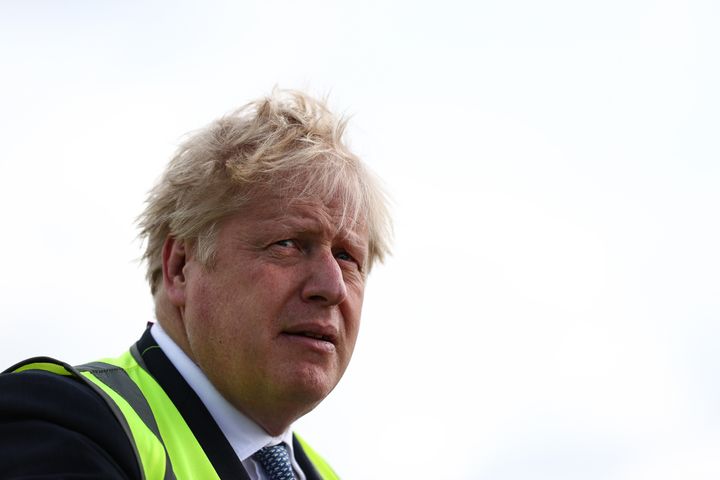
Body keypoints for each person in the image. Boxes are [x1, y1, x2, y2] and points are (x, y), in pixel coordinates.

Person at [0, 90, 392, 479]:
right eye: (287, 244)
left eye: (347, 257)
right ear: (181, 267)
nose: (332, 286)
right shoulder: (60, 421)